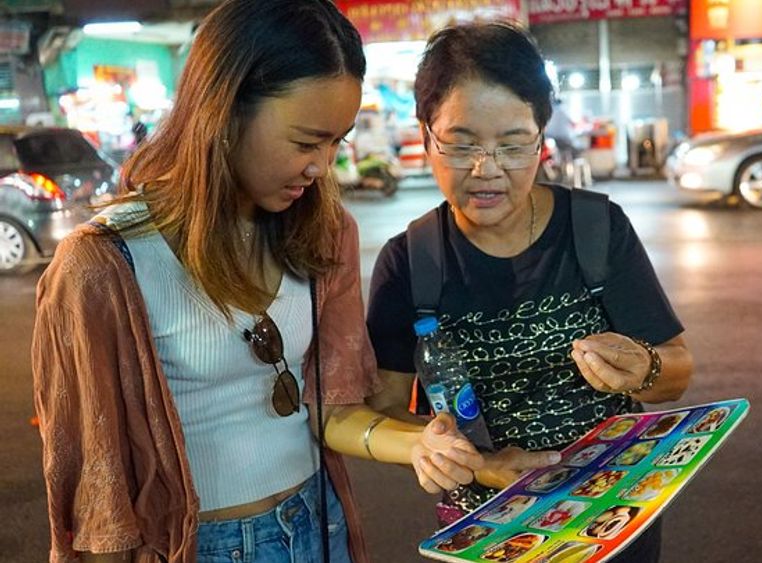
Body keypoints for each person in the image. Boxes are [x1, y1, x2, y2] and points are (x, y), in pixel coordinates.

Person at [31, 1, 483, 562]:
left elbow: (329, 407)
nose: (322, 166)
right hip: (201, 544)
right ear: (224, 111)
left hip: (318, 523)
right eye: (305, 141)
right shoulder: (103, 265)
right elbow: (95, 497)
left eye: (335, 142)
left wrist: (422, 443)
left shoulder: (323, 233)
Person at [365, 21, 694, 562]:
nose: (486, 170)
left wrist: (644, 369)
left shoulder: (595, 229)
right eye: (462, 143)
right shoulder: (410, 262)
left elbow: (677, 372)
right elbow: (386, 409)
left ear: (542, 139)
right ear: (425, 136)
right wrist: (461, 458)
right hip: (487, 533)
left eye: (513, 145)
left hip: (609, 521)